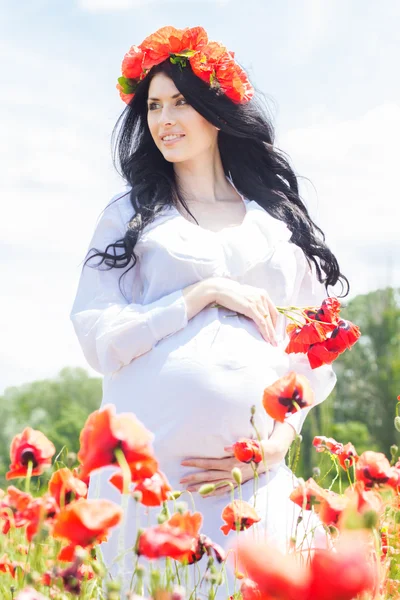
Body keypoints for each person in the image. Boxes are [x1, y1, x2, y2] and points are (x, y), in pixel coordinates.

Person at [69, 25, 350, 597]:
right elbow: (99, 337)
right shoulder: (131, 216)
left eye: (181, 102)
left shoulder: (275, 223)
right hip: (147, 480)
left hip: (253, 479)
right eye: (153, 105)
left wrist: (277, 442)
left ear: (215, 110)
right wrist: (199, 294)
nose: (164, 118)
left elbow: (315, 356)